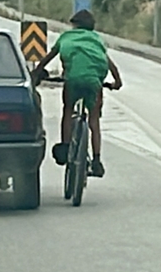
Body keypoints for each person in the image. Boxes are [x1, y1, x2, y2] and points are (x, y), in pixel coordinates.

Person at [31, 10, 123, 178]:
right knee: (94, 120)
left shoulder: (66, 37)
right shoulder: (97, 40)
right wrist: (117, 83)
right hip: (94, 83)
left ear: (74, 25)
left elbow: (47, 58)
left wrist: (37, 73)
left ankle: (66, 146)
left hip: (72, 80)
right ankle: (96, 160)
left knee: (68, 110)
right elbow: (110, 65)